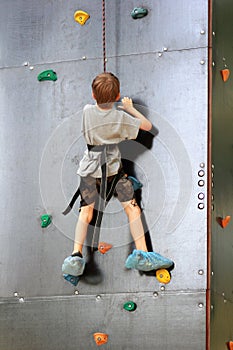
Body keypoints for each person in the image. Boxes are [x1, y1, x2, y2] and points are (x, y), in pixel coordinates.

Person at [62, 72, 173, 280]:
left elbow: (98, 107)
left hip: (89, 170)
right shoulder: (121, 119)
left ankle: (75, 256)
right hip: (113, 172)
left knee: (86, 213)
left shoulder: (87, 111)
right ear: (118, 95)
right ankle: (142, 253)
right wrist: (130, 109)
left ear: (93, 95)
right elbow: (148, 127)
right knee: (132, 209)